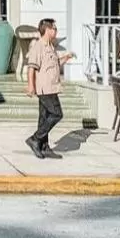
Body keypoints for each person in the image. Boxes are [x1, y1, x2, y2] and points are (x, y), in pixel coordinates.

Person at [24, 17, 74, 160]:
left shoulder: (51, 47)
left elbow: (55, 64)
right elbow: (31, 68)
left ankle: (44, 147)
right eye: (54, 28)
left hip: (52, 87)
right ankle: (35, 139)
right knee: (57, 114)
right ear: (47, 30)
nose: (56, 31)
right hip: (45, 88)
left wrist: (66, 58)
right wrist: (30, 86)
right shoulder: (38, 47)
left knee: (44, 118)